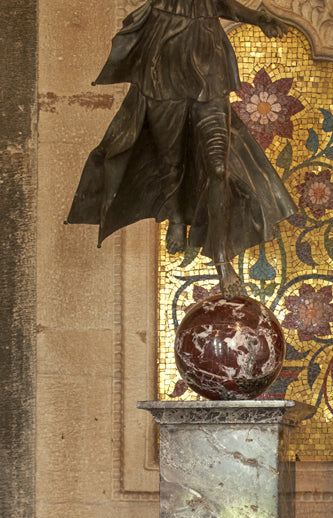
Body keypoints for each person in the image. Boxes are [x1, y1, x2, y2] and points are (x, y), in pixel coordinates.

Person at [66, 0, 295, 296]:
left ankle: (223, 261)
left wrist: (259, 18)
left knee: (219, 167)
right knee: (170, 160)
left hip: (210, 76)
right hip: (163, 76)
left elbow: (221, 4)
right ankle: (175, 216)